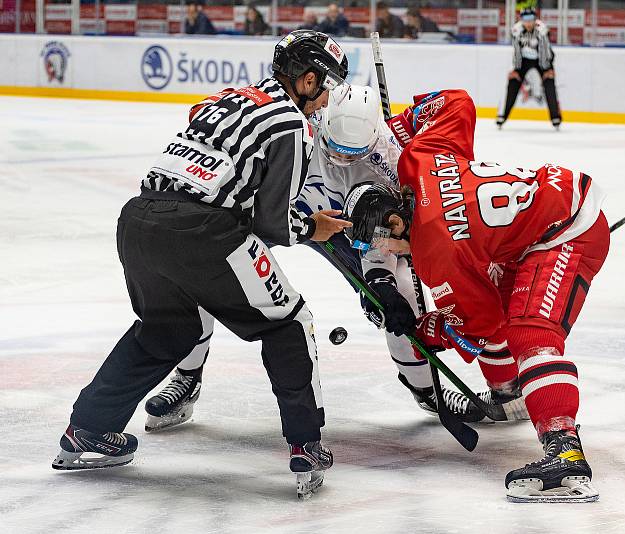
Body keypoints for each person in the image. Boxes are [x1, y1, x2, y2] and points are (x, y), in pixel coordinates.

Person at [51, 30, 350, 499]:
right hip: (202, 233)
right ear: (308, 80)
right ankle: (306, 444)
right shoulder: (292, 124)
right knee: (289, 323)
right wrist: (315, 229)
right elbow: (273, 225)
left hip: (138, 220)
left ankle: (87, 429)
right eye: (326, 85)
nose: (327, 98)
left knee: (167, 330)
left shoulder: (227, 98)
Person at [143, 84, 489, 434]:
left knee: (396, 298)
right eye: (333, 150)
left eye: (352, 156)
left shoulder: (391, 162)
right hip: (282, 216)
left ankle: (427, 389)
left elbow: (384, 240)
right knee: (204, 266)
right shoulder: (299, 122)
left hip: (349, 229)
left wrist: (380, 285)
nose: (340, 161)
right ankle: (187, 377)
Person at [346, 89, 609, 502]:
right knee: (496, 292)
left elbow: (481, 326)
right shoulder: (418, 160)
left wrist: (432, 329)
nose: (382, 252)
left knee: (530, 332)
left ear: (396, 221)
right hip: (544, 206)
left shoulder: (438, 255)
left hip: (565, 229)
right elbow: (457, 102)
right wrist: (400, 128)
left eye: (379, 241)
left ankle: (566, 455)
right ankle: (509, 395)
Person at [496, 8, 561, 130]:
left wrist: (547, 69)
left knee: (549, 84)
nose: (528, 23)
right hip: (524, 61)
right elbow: (516, 51)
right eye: (525, 20)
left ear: (535, 19)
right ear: (521, 20)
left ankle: (555, 117)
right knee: (512, 82)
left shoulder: (542, 29)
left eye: (531, 19)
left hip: (542, 61)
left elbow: (545, 52)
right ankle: (502, 115)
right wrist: (516, 69)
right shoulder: (516, 30)